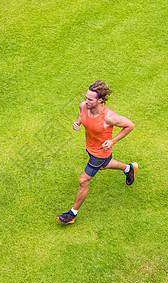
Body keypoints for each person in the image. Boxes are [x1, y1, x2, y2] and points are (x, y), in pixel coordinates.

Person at [56, 80, 138, 225]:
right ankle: (129, 168)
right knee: (103, 166)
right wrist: (78, 122)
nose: (86, 101)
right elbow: (81, 112)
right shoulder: (83, 106)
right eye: (86, 97)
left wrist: (113, 141)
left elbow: (130, 125)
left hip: (101, 151)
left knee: (84, 181)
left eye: (90, 99)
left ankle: (72, 214)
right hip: (90, 146)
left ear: (100, 100)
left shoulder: (109, 117)